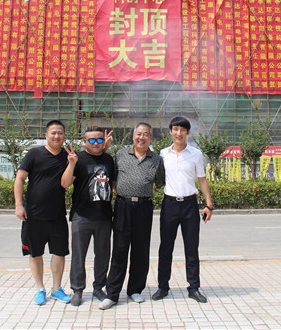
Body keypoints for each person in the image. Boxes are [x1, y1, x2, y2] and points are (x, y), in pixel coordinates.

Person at [98, 123, 165, 310]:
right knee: (119, 250)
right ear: (133, 136)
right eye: (138, 134)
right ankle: (112, 294)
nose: (141, 137)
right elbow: (111, 178)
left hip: (144, 207)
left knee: (141, 250)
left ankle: (135, 289)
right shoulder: (120, 154)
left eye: (146, 134)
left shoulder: (157, 159)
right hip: (123, 206)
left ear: (151, 138)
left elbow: (160, 182)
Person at [152, 116, 214, 303]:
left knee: (191, 247)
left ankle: (194, 288)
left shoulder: (195, 154)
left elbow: (202, 179)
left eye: (183, 130)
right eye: (176, 129)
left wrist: (209, 204)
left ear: (187, 132)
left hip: (189, 205)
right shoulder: (162, 154)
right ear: (170, 131)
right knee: (165, 247)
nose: (179, 133)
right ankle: (163, 287)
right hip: (169, 204)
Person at [14, 120, 72, 305]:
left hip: (57, 215)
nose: (57, 136)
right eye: (53, 133)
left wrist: (71, 163)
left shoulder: (68, 156)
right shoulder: (34, 154)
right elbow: (20, 178)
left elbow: (66, 183)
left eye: (60, 133)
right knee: (35, 253)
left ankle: (56, 288)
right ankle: (40, 288)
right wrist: (18, 205)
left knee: (59, 253)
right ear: (46, 135)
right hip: (33, 215)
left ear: (64, 136)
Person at [62, 126, 116, 306]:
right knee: (79, 256)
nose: (95, 143)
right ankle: (77, 289)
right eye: (91, 140)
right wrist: (71, 164)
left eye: (99, 139)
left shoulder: (108, 159)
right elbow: (65, 183)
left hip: (104, 216)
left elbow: (113, 183)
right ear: (85, 141)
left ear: (104, 141)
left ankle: (99, 287)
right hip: (82, 216)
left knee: (103, 255)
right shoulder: (77, 158)